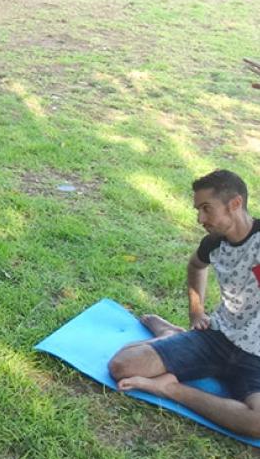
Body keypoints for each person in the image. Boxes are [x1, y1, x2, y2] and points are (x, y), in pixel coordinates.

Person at [109, 169, 260, 438]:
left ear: (235, 203)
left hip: (256, 358)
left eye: (206, 208)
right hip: (217, 337)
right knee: (122, 366)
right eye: (198, 210)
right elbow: (196, 266)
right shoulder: (213, 244)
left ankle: (170, 388)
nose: (200, 218)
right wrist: (196, 311)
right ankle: (171, 334)